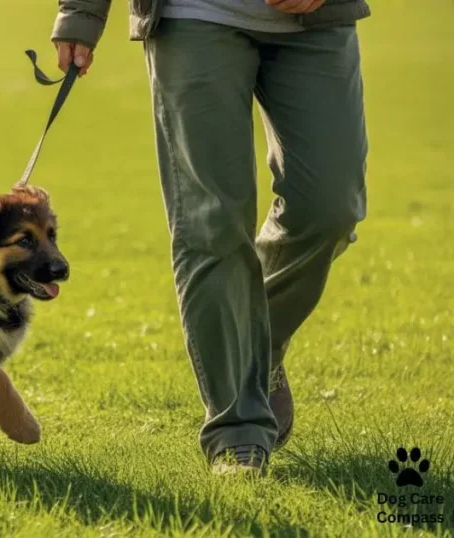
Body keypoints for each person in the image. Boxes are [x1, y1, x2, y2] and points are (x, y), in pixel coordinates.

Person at [48, 0, 370, 474]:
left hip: (315, 20)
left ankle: (254, 346)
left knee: (330, 207)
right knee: (211, 223)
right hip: (192, 16)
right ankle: (237, 433)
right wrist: (82, 13)